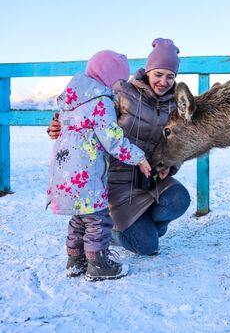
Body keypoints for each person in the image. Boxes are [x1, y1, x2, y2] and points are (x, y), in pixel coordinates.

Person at [48, 38, 191, 256]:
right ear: (148, 71)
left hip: (149, 180)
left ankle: (144, 226)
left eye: (170, 76)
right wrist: (60, 127)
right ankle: (112, 230)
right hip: (116, 182)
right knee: (148, 246)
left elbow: (181, 142)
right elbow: (87, 116)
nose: (163, 81)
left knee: (179, 199)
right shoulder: (121, 93)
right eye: (158, 74)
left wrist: (170, 165)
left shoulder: (175, 105)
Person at [47, 50, 152, 281]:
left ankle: (75, 260)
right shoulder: (100, 101)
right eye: (117, 82)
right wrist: (139, 157)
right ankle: (97, 263)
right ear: (107, 77)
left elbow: (62, 129)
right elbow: (113, 141)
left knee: (79, 217)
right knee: (98, 219)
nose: (118, 88)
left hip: (63, 170)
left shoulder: (71, 99)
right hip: (86, 173)